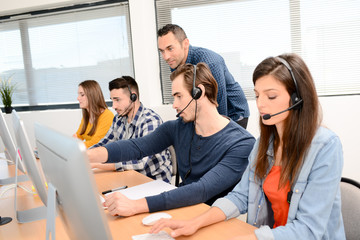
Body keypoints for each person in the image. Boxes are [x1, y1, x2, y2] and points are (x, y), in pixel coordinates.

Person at [150, 54, 345, 240]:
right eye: (257, 95)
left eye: (271, 96)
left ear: (297, 99)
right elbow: (241, 195)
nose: (260, 104)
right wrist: (195, 223)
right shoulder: (264, 143)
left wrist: (249, 237)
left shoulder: (325, 147)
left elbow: (309, 230)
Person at [87, 63, 255, 217]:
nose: (174, 105)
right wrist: (86, 156)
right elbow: (137, 147)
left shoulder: (242, 143)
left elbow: (201, 190)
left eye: (178, 96)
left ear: (199, 92)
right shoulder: (177, 127)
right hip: (181, 208)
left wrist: (136, 206)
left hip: (212, 219)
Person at [157, 24, 250, 128]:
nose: (166, 57)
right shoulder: (175, 62)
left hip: (233, 111)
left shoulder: (210, 63)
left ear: (185, 44)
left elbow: (219, 105)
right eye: (162, 51)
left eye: (170, 48)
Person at [89, 76, 172, 183]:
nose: (113, 106)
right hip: (127, 176)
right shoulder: (118, 119)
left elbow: (141, 163)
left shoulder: (151, 121)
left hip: (152, 181)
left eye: (117, 100)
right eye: (112, 100)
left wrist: (98, 164)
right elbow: (104, 143)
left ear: (133, 97)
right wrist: (84, 155)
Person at [74, 80, 114, 148]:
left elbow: (96, 143)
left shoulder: (107, 116)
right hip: (89, 153)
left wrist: (75, 146)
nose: (78, 98)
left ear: (92, 95)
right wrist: (70, 143)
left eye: (82, 95)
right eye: (78, 95)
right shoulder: (87, 116)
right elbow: (78, 135)